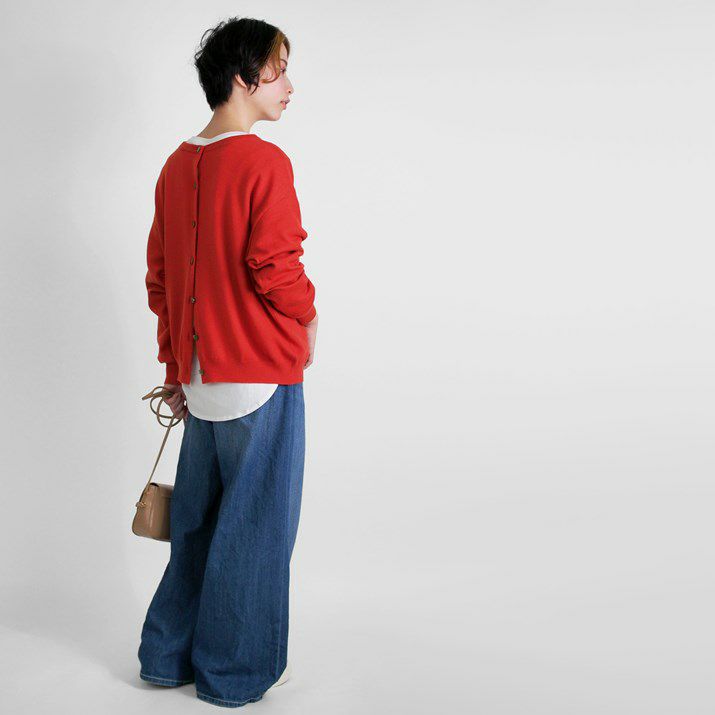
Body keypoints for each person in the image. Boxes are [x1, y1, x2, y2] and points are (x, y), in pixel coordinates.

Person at [137, 16, 318, 708]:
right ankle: (235, 672)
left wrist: (174, 369)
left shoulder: (176, 165)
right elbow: (274, 265)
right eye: (278, 71)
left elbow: (162, 280)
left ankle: (167, 657)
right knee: (256, 527)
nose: (289, 86)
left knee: (199, 522)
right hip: (260, 371)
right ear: (243, 78)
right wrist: (308, 316)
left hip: (202, 376)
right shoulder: (263, 162)